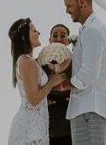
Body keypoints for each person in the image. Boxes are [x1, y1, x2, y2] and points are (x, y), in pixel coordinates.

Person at [64, 0, 106, 145]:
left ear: (82, 3)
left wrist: (63, 85)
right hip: (86, 109)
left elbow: (90, 72)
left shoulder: (93, 30)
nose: (67, 11)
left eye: (69, 5)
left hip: (89, 110)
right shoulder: (89, 30)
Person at [8, 17, 70, 145]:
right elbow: (33, 99)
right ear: (24, 37)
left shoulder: (29, 61)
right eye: (34, 30)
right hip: (30, 127)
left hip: (37, 125)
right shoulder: (27, 61)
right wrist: (51, 83)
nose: (38, 33)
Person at [46, 24, 73, 145]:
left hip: (71, 128)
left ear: (68, 40)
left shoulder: (77, 63)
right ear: (50, 40)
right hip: (46, 127)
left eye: (63, 36)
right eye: (55, 35)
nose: (58, 38)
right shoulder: (37, 63)